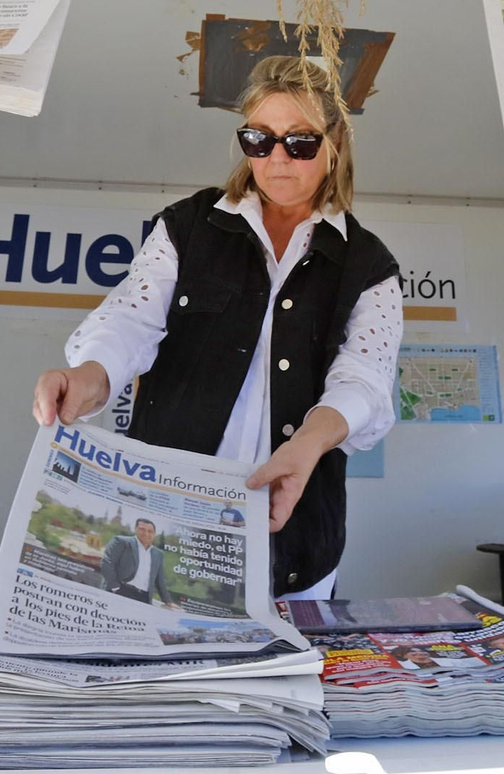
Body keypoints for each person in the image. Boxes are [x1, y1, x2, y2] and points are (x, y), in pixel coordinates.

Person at [33, 56, 402, 599]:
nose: (277, 159)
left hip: (294, 544)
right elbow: (131, 318)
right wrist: (91, 374)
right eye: (259, 139)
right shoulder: (187, 226)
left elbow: (364, 381)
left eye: (300, 142)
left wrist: (310, 442)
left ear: (336, 140)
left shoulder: (369, 265)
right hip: (162, 520)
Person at [99, 518, 171, 604]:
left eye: (150, 531)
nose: (146, 533)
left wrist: (168, 601)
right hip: (121, 590)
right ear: (135, 529)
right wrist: (114, 587)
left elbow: (160, 580)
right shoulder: (121, 541)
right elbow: (107, 563)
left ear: (154, 534)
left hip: (144, 598)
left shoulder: (158, 554)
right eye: (142, 529)